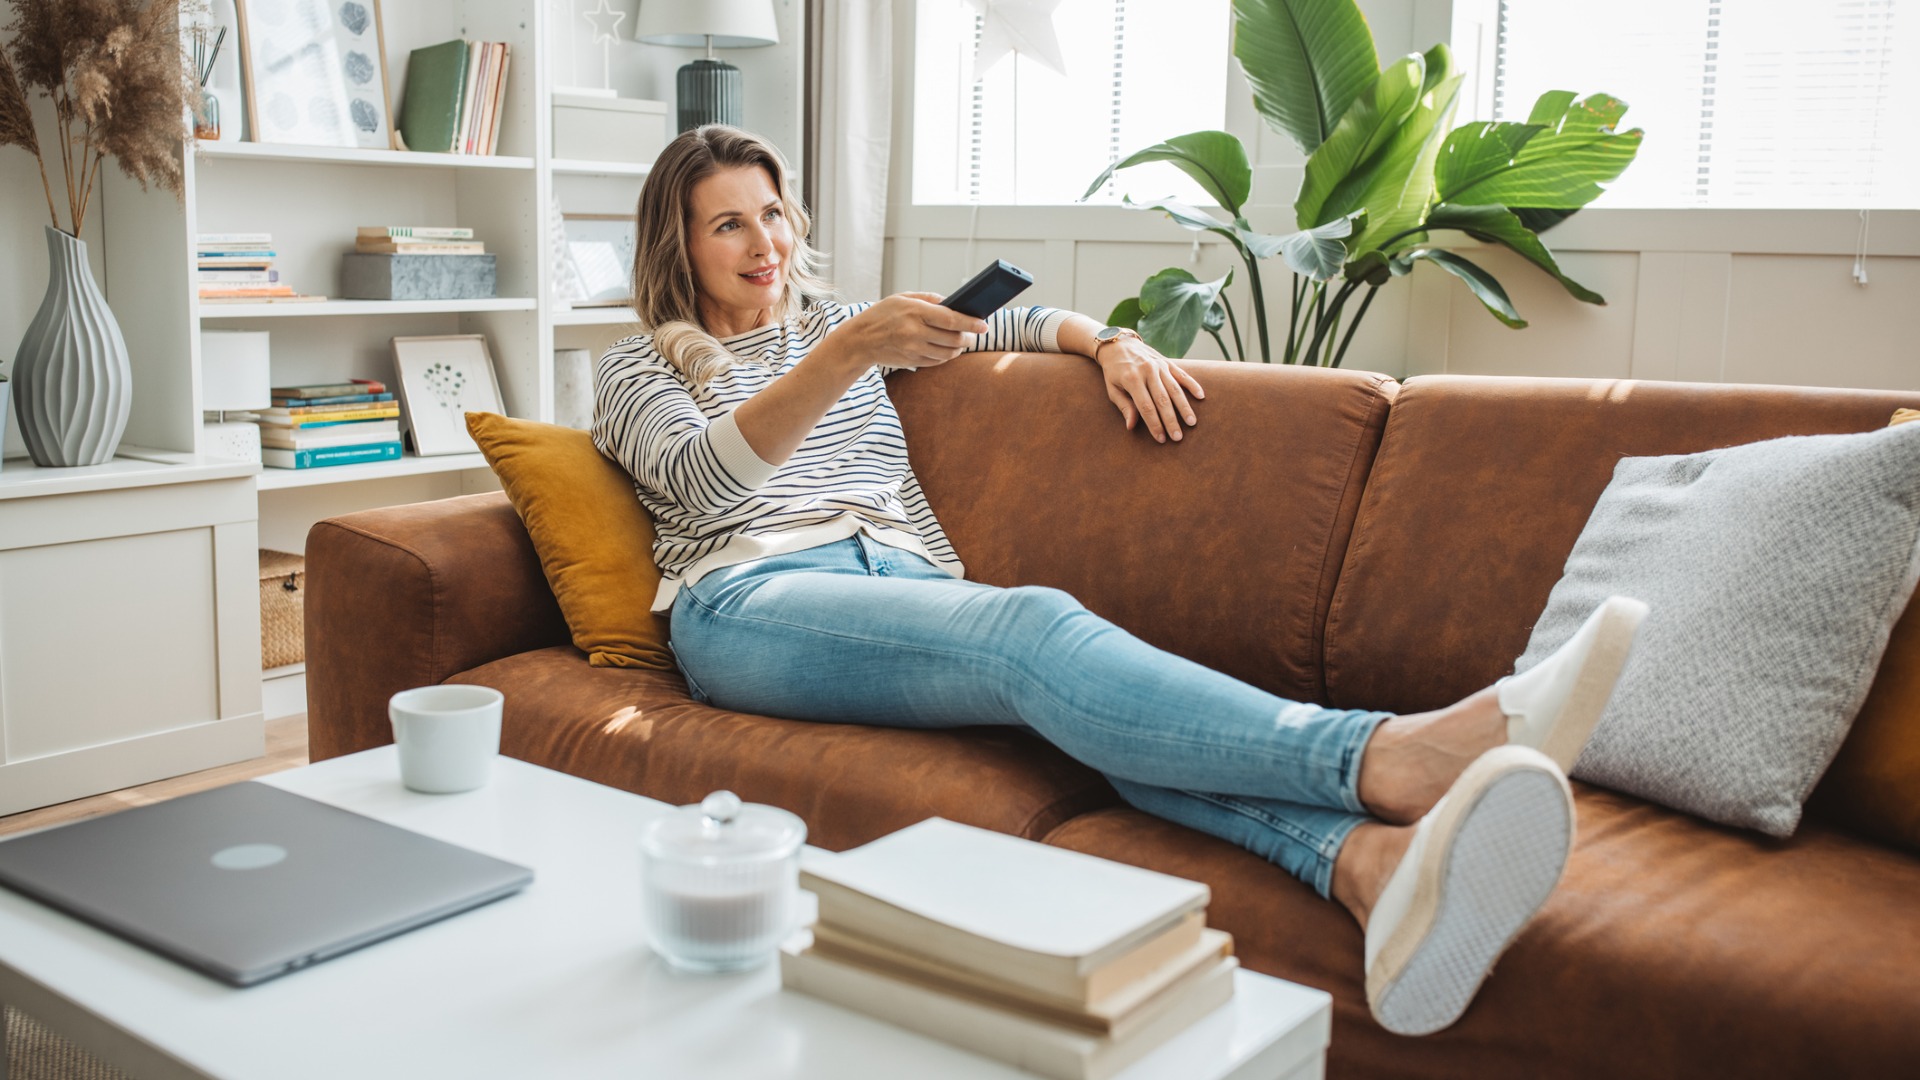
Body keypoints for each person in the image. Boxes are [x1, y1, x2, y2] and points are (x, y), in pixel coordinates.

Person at [592, 125, 1647, 1036]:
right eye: (727, 223)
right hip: (750, 603)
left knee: (1085, 715)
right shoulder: (639, 368)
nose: (763, 242)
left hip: (898, 586)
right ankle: (1387, 753)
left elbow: (1012, 323)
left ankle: (1365, 871)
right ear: (677, 244)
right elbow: (702, 487)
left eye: (771, 214)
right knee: (1035, 631)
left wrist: (1115, 344)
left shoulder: (841, 328)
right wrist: (842, 359)